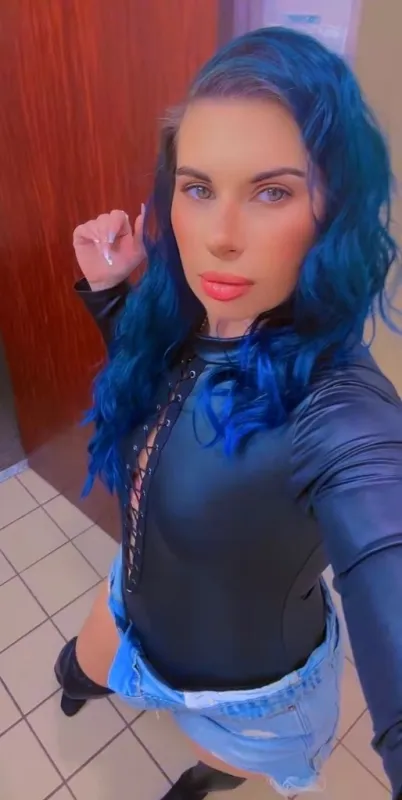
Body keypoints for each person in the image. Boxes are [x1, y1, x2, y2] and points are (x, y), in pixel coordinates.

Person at [55, 26, 402, 799]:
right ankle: (83, 682)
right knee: (76, 667)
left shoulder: (341, 410)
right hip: (131, 603)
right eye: (199, 187)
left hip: (250, 696)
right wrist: (114, 295)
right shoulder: (183, 314)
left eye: (272, 192)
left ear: (334, 209)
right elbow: (166, 400)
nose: (219, 238)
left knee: (219, 764)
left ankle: (209, 776)